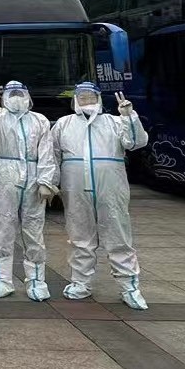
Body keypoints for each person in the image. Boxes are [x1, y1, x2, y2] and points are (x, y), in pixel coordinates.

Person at [51, 82, 149, 310]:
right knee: (79, 235)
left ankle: (130, 287)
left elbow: (136, 142)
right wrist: (50, 183)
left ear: (99, 99)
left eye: (91, 97)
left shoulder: (114, 122)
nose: (87, 101)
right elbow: (52, 155)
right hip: (75, 188)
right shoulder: (64, 124)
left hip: (111, 187)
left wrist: (129, 116)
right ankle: (80, 283)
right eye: (82, 98)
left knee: (118, 235)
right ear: (75, 101)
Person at [0, 81, 57, 300]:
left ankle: (37, 281)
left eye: (20, 93)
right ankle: (2, 280)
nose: (17, 97)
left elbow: (46, 152)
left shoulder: (39, 120)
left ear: (28, 96)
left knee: (34, 229)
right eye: (12, 94)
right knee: (2, 227)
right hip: (4, 173)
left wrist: (46, 182)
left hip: (32, 175)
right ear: (4, 98)